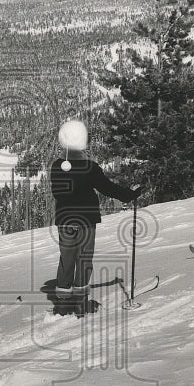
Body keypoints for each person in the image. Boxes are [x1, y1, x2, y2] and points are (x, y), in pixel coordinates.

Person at [49, 120, 142, 298]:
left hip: (65, 219)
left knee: (66, 259)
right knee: (83, 259)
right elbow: (108, 188)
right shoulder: (90, 168)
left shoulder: (56, 167)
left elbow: (57, 193)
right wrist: (129, 195)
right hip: (86, 219)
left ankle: (62, 301)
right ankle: (80, 300)